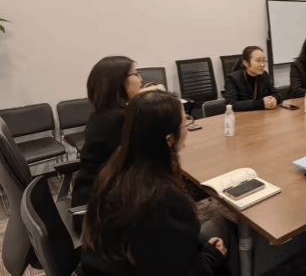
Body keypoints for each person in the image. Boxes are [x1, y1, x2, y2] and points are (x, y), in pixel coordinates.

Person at [81, 91, 239, 276]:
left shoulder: (113, 170)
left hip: (113, 265)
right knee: (223, 229)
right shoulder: (165, 200)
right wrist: (211, 256)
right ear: (169, 139)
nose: (188, 126)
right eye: (185, 122)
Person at [72, 56, 142, 230]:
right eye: (136, 74)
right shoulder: (118, 119)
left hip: (93, 195)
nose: (141, 79)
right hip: (101, 212)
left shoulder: (104, 113)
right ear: (121, 82)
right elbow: (141, 163)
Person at [225, 46, 282, 111]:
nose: (262, 64)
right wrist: (261, 104)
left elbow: (277, 94)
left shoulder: (264, 75)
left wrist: (275, 99)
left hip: (262, 114)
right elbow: (231, 104)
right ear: (246, 63)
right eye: (258, 61)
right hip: (243, 116)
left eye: (263, 60)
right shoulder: (232, 79)